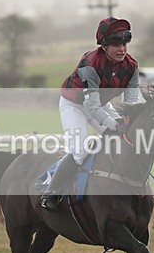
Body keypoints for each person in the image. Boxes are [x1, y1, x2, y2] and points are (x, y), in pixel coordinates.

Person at [40, 16, 141, 211]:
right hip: (74, 105)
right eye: (116, 45)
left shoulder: (132, 66)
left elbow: (132, 103)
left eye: (124, 44)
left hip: (100, 104)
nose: (122, 49)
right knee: (79, 152)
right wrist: (115, 125)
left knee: (122, 140)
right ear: (104, 46)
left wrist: (128, 122)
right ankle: (50, 193)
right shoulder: (90, 65)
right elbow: (92, 108)